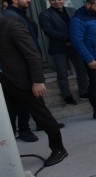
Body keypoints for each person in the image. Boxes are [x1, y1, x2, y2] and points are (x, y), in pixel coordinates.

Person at [0, 16, 68, 166]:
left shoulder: (12, 26)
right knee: (6, 122)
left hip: (24, 81)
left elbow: (33, 55)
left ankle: (58, 149)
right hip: (4, 82)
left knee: (41, 116)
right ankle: (8, 155)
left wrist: (37, 81)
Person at [3, 0, 42, 141]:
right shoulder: (10, 17)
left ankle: (39, 123)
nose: (28, 0)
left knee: (33, 100)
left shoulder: (20, 15)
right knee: (23, 100)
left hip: (29, 63)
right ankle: (24, 129)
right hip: (21, 68)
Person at [39, 0, 89, 105]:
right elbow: (49, 31)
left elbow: (80, 27)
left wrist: (74, 40)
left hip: (75, 46)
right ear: (49, 1)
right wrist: (70, 39)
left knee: (81, 70)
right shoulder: (45, 14)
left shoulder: (73, 11)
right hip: (58, 48)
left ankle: (84, 93)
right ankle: (67, 96)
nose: (57, 2)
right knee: (62, 74)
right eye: (53, 0)